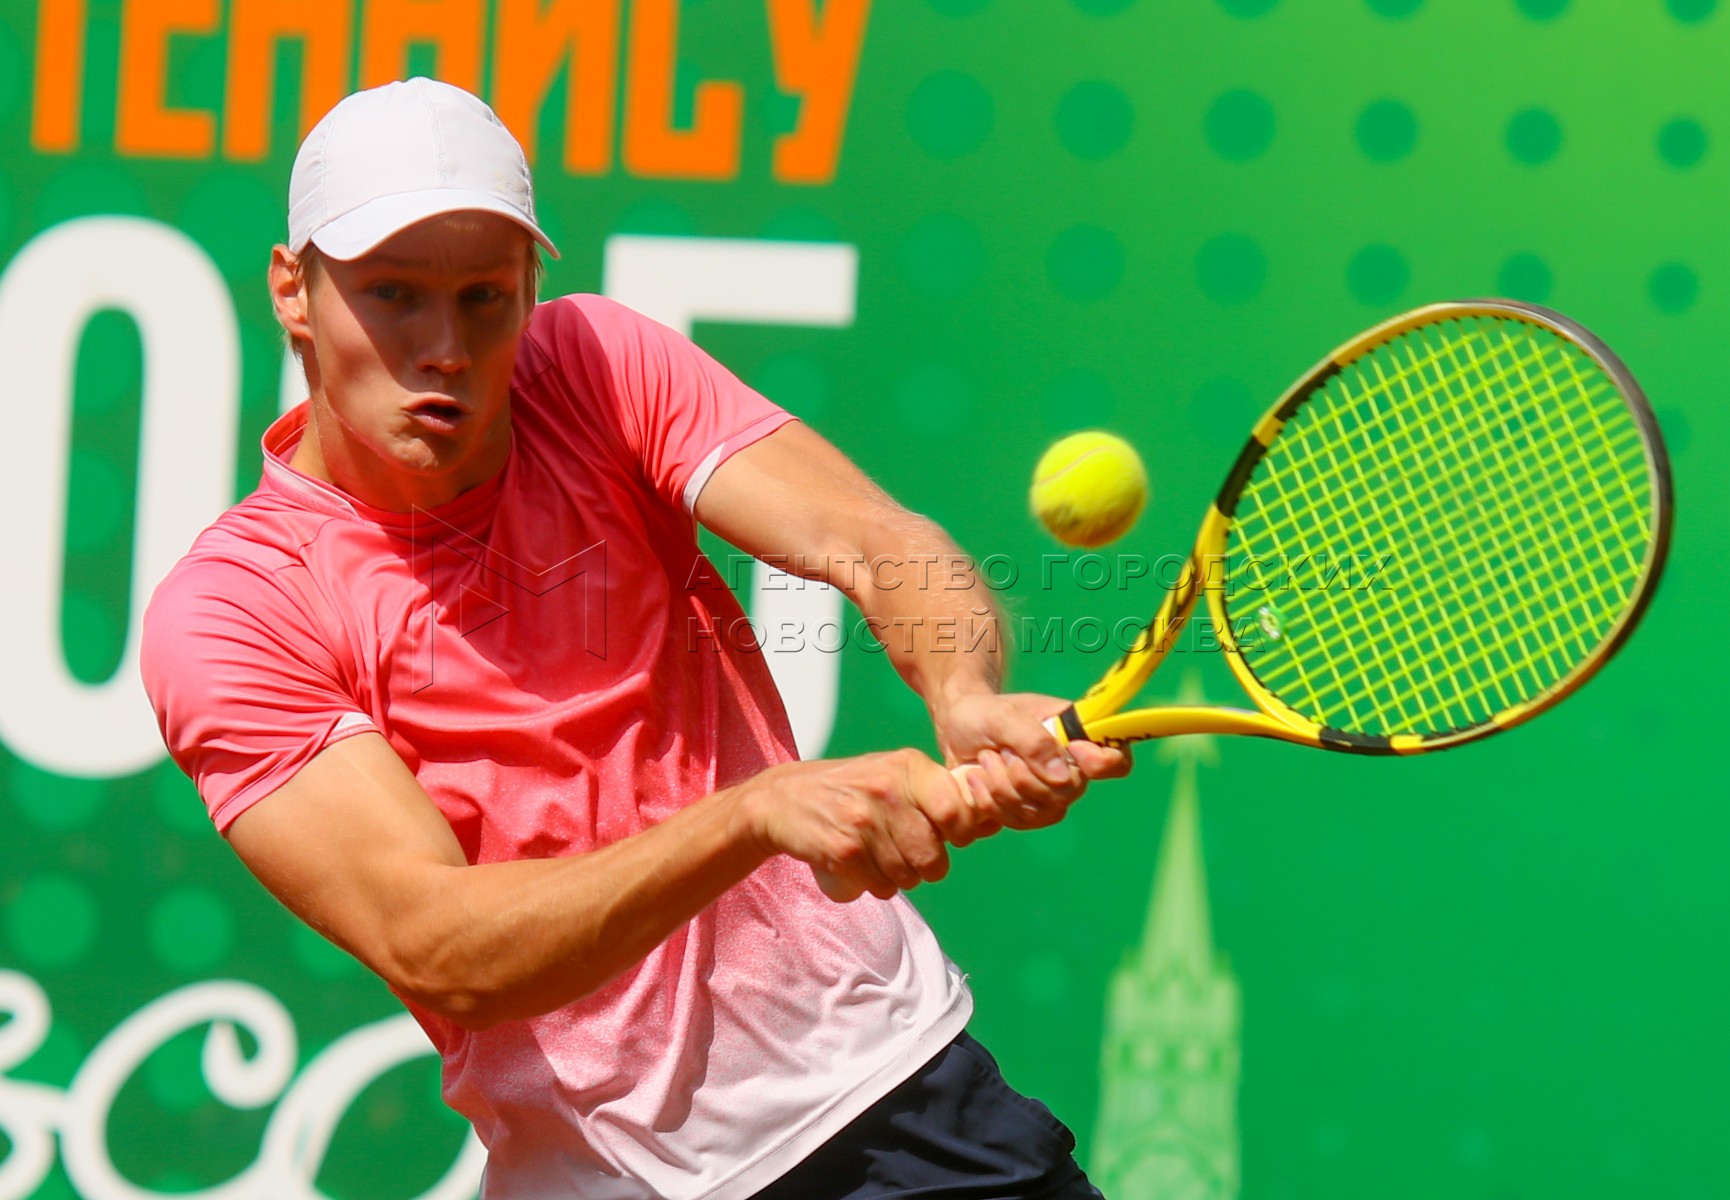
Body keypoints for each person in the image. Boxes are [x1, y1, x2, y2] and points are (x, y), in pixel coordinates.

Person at [140, 78, 1128, 1199]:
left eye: (484, 297)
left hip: (893, 1100)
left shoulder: (594, 366)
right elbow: (435, 943)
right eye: (393, 295)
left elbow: (874, 540)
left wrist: (963, 692)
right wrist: (750, 817)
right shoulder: (233, 614)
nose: (445, 348)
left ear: (529, 289)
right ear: (294, 289)